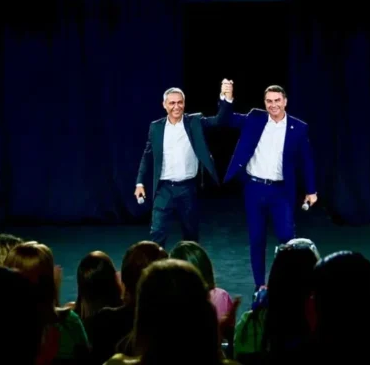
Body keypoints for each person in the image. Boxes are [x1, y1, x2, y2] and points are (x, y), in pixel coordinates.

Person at [220, 81, 317, 289]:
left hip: (281, 191)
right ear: (264, 103)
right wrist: (227, 98)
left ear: (285, 102)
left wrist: (311, 190)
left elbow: (306, 160)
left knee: (287, 241)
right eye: (269, 101)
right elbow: (226, 119)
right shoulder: (255, 118)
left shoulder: (298, 128)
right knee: (257, 240)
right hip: (254, 189)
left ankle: (288, 285)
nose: (273, 105)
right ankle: (260, 286)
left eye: (277, 100)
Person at [134, 83, 231, 248]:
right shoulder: (156, 127)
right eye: (172, 103)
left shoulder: (195, 121)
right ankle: (156, 264)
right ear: (164, 105)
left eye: (180, 102)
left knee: (190, 237)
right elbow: (147, 156)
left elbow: (219, 121)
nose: (176, 106)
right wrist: (139, 183)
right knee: (157, 234)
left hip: (188, 189)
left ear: (184, 104)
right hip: (164, 189)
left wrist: (225, 98)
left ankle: (189, 265)